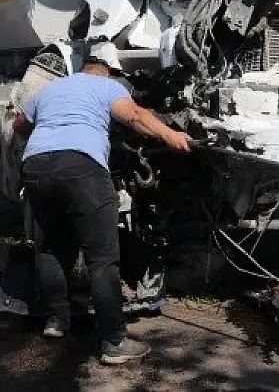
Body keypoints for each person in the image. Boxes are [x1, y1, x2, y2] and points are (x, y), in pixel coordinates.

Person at [14, 54, 191, 365]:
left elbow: (19, 125)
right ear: (106, 73)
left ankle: (56, 321)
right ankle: (113, 341)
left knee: (51, 248)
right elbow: (133, 115)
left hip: (36, 166)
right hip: (81, 164)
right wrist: (171, 135)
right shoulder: (106, 87)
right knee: (102, 257)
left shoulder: (50, 90)